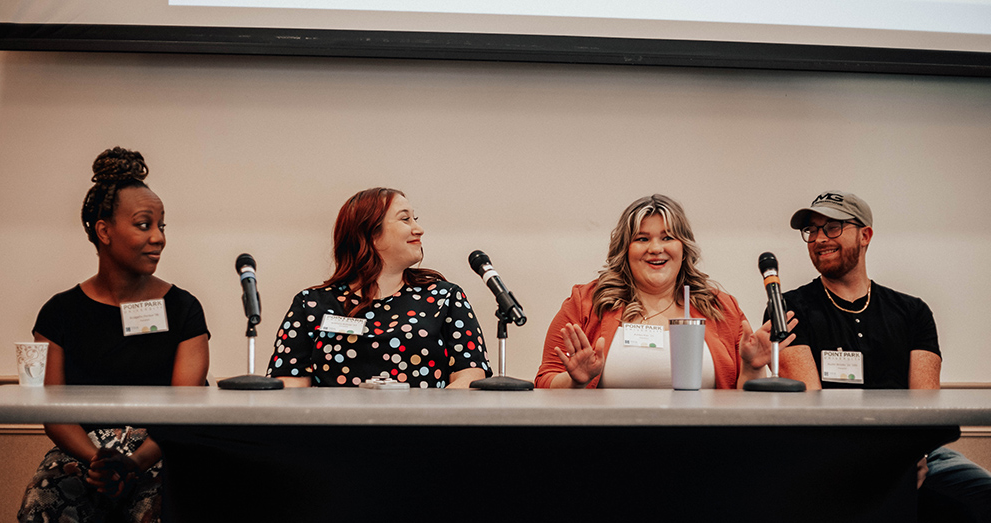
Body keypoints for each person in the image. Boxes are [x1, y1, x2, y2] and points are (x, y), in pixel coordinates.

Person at [17, 147, 210, 523]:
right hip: (83, 452)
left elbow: (187, 407)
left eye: (162, 225)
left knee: (169, 522)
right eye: (144, 225)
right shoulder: (60, 312)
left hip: (158, 450)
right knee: (43, 514)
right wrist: (97, 459)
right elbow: (52, 407)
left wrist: (136, 460)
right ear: (104, 231)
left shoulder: (183, 308)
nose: (159, 237)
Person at [776, 189, 991, 523]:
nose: (820, 239)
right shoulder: (790, 307)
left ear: (865, 235)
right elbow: (809, 409)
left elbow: (924, 407)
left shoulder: (912, 312)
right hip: (834, 459)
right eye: (812, 231)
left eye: (832, 227)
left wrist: (907, 457)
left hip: (917, 458)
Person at [535, 194, 795, 389]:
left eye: (667, 237)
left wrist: (752, 367)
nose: (656, 248)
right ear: (625, 250)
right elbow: (543, 383)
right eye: (642, 239)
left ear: (684, 248)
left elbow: (744, 404)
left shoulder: (721, 308)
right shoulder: (586, 303)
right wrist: (575, 382)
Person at [268, 187, 492, 388]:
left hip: (423, 430)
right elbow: (289, 385)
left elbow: (470, 377)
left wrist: (422, 419)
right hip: (335, 430)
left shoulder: (444, 298)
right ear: (370, 233)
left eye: (415, 219)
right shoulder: (311, 304)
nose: (419, 229)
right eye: (405, 219)